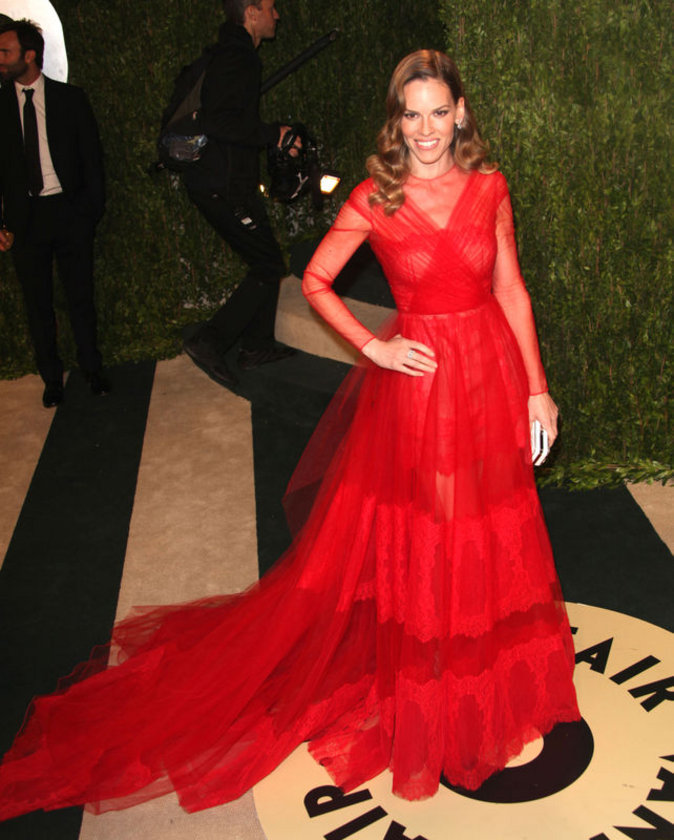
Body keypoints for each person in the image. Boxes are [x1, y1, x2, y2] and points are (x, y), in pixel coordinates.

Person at [0, 50, 579, 820]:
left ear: (461, 113)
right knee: (438, 531)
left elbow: (510, 287)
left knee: (492, 524)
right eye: (412, 114)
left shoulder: (490, 186)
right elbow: (314, 282)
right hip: (419, 388)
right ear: (396, 120)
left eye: (440, 112)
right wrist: (373, 348)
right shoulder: (375, 196)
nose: (427, 129)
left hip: (490, 375)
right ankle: (437, 686)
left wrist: (537, 388)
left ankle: (489, 671)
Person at [181, 0, 298, 391]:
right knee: (267, 264)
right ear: (251, 12)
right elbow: (220, 122)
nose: (276, 15)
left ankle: (256, 346)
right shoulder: (238, 56)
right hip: (222, 183)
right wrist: (274, 134)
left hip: (224, 181)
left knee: (267, 258)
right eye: (270, 7)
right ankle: (209, 340)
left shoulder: (228, 51)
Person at [0, 18, 108, 408]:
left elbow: (92, 161)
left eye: (5, 52)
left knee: (81, 297)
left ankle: (92, 368)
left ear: (29, 55)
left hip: (69, 212)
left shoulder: (70, 99)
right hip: (24, 219)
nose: (0, 59)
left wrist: (88, 213)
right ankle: (52, 379)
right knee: (38, 305)